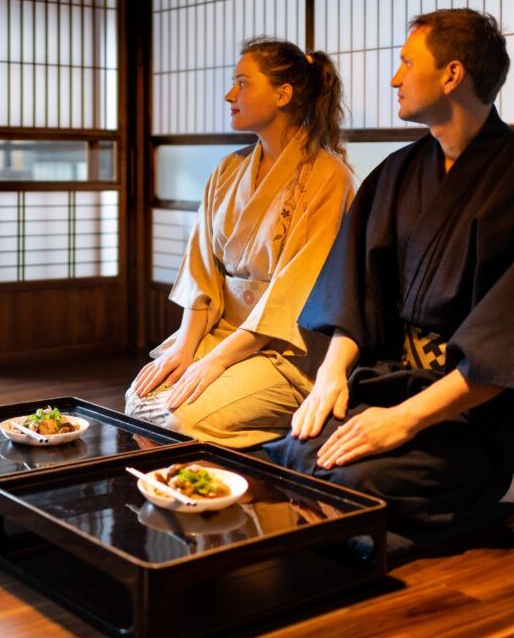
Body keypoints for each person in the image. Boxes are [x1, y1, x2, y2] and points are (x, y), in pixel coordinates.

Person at [265, 9, 514, 530]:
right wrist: (330, 376)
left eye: (406, 62)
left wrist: (402, 423)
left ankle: (513, 480)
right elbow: (358, 288)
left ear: (452, 75)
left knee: (354, 485)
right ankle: (476, 480)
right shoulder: (398, 173)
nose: (395, 77)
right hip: (397, 382)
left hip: (477, 411)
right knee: (293, 454)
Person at [124, 36, 354, 448]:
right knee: (139, 403)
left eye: (243, 83)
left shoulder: (329, 177)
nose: (230, 94)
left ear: (283, 93)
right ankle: (173, 500)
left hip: (284, 351)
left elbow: (291, 296)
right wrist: (185, 349)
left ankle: (236, 499)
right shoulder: (227, 170)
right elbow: (202, 273)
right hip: (219, 333)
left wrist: (214, 363)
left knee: (177, 419)